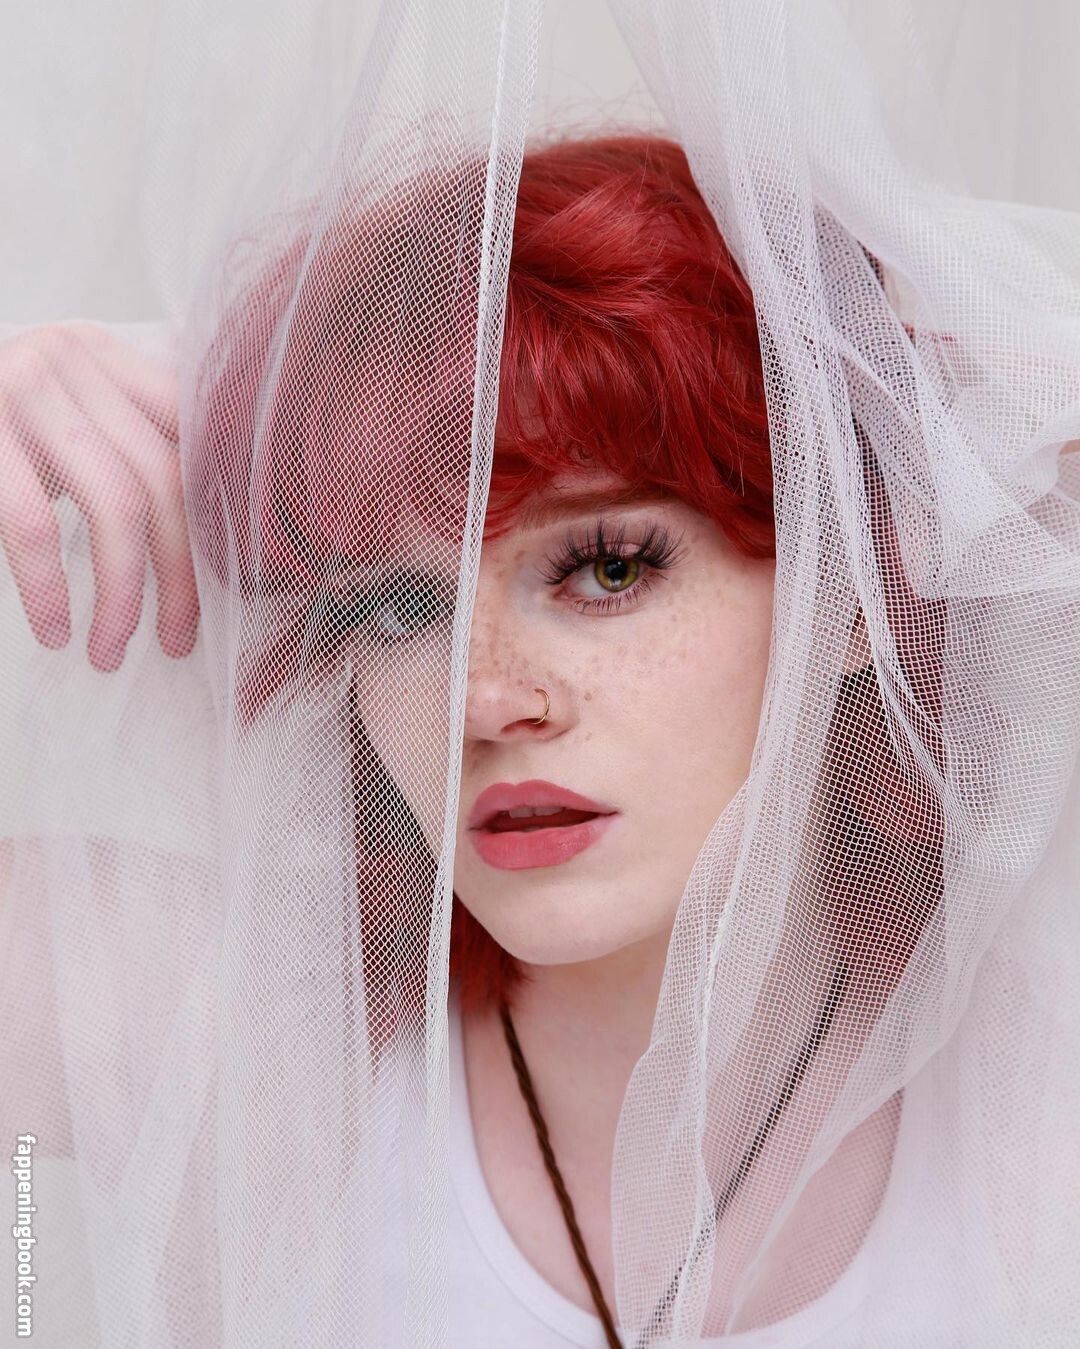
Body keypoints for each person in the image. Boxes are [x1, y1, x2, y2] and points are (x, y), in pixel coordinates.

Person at [3, 6, 1080, 1346]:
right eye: (398, 604)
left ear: (847, 584)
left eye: (608, 567)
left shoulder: (1033, 1075)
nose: (484, 700)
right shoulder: (223, 1023)